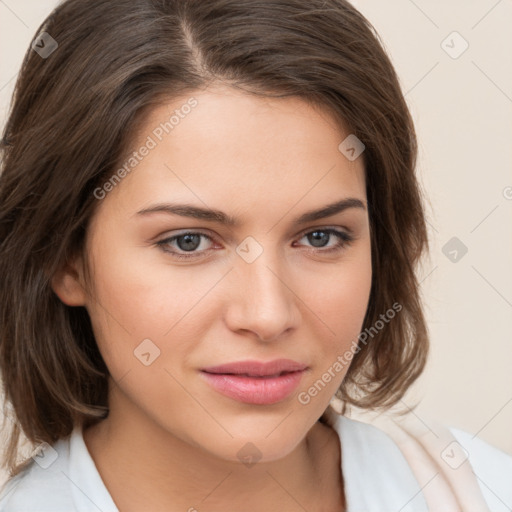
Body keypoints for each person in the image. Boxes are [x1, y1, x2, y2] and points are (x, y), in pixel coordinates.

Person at [0, 0, 510, 511]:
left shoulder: (481, 491)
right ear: (65, 257)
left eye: (320, 237)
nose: (267, 315)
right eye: (188, 241)